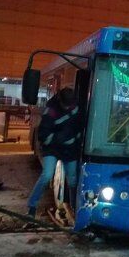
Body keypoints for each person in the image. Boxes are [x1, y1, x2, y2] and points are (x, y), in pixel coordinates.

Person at [26, 87, 82, 224]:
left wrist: (74, 139)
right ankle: (32, 206)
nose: (69, 107)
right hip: (53, 149)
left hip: (69, 150)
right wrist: (60, 138)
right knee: (46, 176)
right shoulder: (50, 111)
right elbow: (43, 135)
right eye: (66, 104)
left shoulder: (76, 108)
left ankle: (74, 208)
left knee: (73, 180)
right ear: (60, 101)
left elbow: (79, 127)